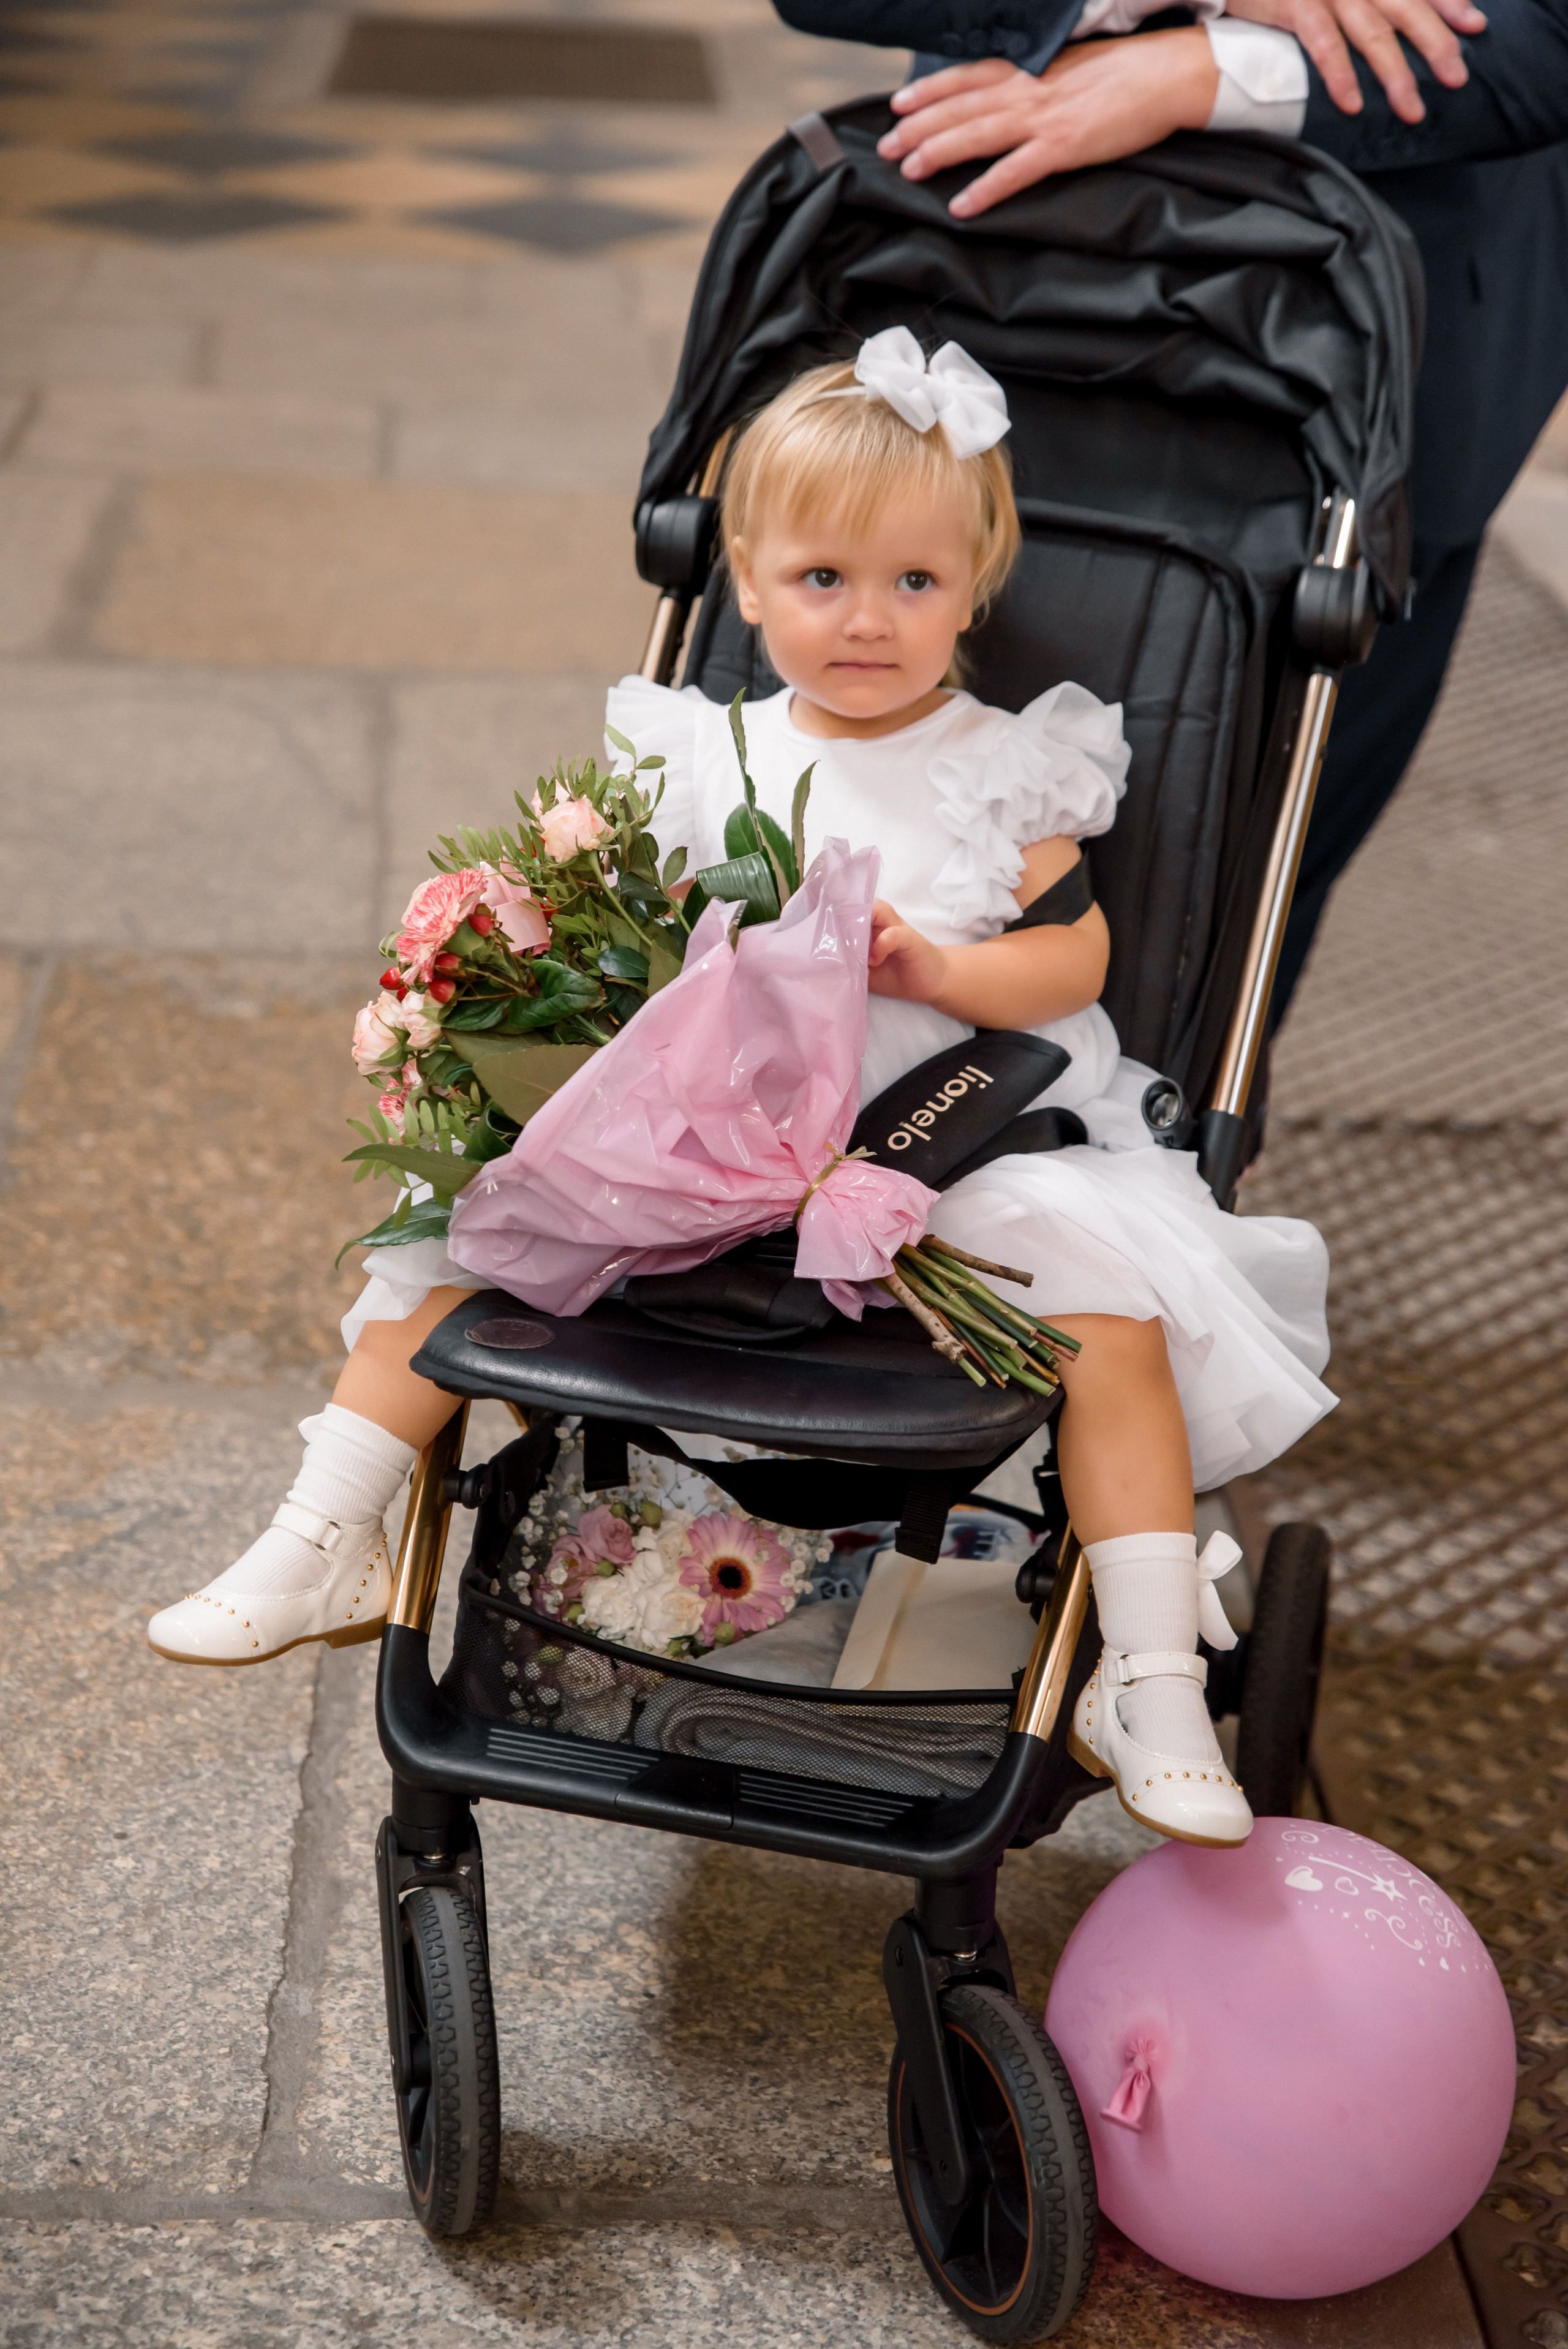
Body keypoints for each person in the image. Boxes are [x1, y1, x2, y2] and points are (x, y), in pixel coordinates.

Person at [149, 335, 1336, 1850]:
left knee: (1108, 1328)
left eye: (913, 583)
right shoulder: (700, 752)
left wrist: (945, 974)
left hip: (943, 1157)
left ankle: (1148, 1674)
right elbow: (620, 938)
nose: (866, 619)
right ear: (749, 587)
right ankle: (321, 1532)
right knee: (451, 1250)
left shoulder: (1002, 764)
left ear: (973, 587)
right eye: (823, 579)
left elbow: (1073, 958)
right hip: (711, 1154)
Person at [777, 0, 1568, 1020]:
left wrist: (1200, 70)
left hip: (1384, 360)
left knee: (1229, 944)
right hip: (993, 291)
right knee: (871, 852)